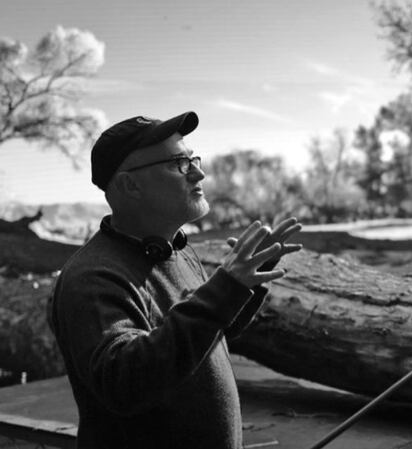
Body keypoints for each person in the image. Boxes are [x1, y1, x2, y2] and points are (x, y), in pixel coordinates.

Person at [48, 111, 302, 449]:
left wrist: (244, 284)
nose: (199, 172)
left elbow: (201, 336)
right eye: (178, 163)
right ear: (130, 185)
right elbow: (126, 383)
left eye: (193, 159)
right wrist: (224, 287)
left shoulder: (175, 251)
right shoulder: (93, 277)